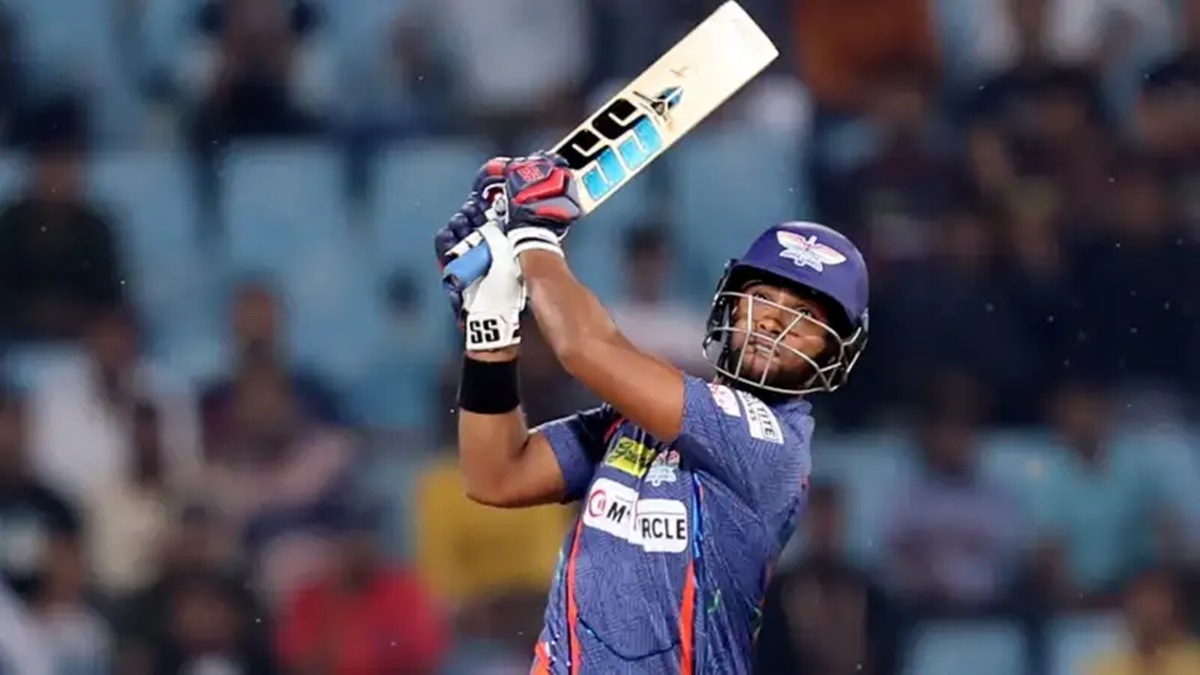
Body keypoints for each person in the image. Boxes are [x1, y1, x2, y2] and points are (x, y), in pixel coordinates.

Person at [432, 153, 870, 674]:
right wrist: (491, 326)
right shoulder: (643, 419)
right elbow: (497, 475)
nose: (774, 322)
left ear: (834, 350)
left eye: (804, 315)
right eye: (762, 298)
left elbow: (585, 348)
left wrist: (532, 238)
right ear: (730, 305)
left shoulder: (771, 445)